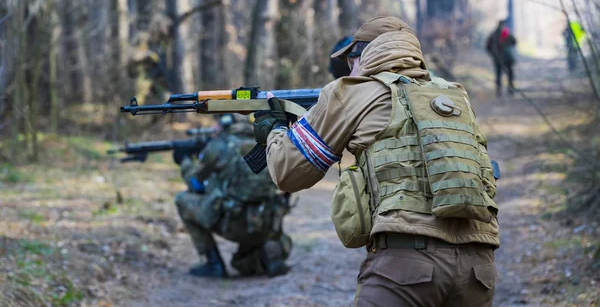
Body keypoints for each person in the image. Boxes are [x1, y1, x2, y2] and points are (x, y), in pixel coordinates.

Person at [254, 17, 499, 306]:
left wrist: (274, 129)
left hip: (407, 267)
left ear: (362, 55)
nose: (348, 70)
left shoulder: (352, 91)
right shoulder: (454, 95)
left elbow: (288, 172)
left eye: (348, 61)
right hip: (478, 271)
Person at [175, 114, 292, 278]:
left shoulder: (218, 146)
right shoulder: (269, 144)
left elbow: (195, 184)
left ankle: (213, 264)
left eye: (215, 124)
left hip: (232, 223)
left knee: (182, 200)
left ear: (224, 124)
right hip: (266, 225)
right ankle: (270, 255)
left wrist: (185, 162)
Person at [486, 19, 517, 97]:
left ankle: (499, 90)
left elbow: (488, 47)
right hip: (506, 58)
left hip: (498, 58)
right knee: (508, 73)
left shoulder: (493, 34)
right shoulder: (506, 33)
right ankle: (509, 88)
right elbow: (514, 42)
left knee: (499, 74)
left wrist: (493, 54)